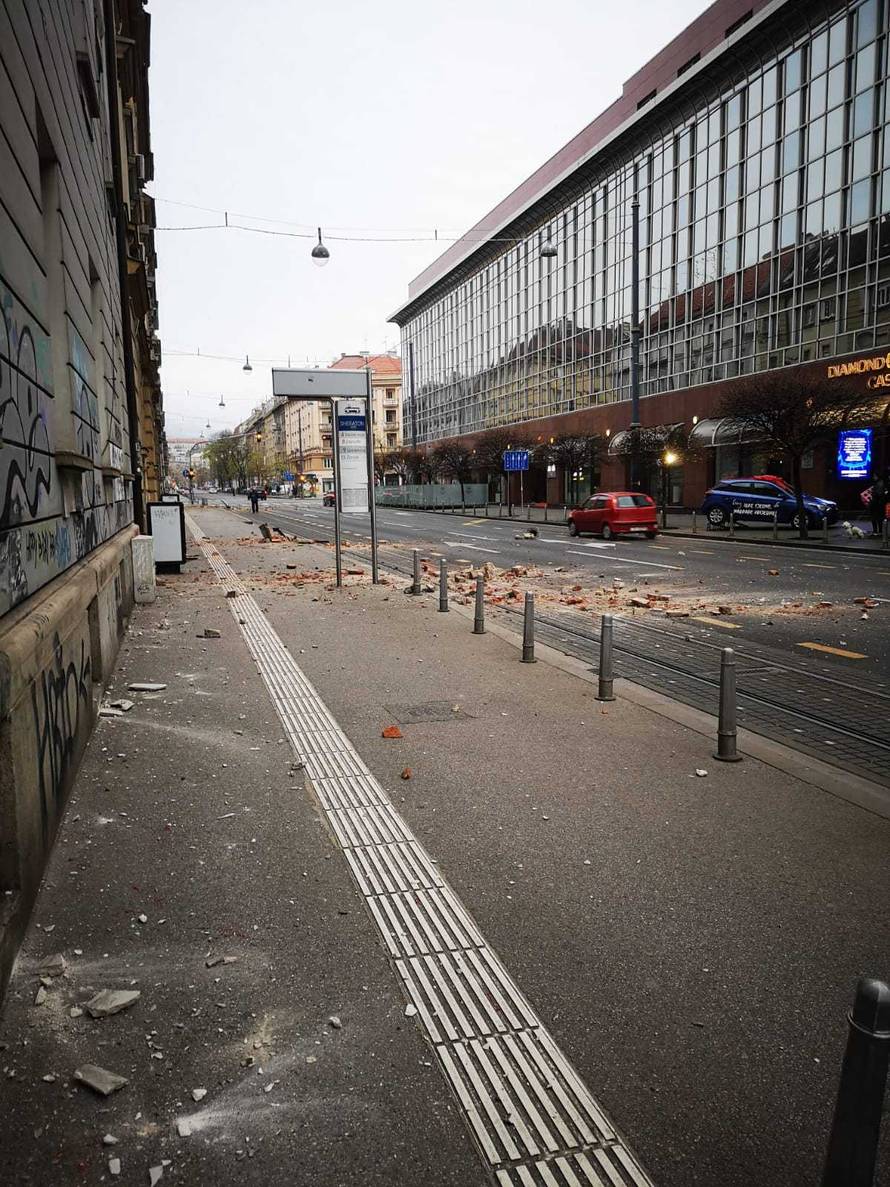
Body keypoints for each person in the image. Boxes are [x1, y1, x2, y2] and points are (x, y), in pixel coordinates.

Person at [868, 473, 887, 537]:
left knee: (875, 518)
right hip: (879, 504)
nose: (873, 477)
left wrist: (872, 494)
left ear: (877, 476)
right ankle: (879, 532)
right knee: (879, 518)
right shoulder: (879, 482)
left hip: (877, 504)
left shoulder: (879, 483)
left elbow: (878, 494)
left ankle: (876, 532)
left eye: (874, 476)